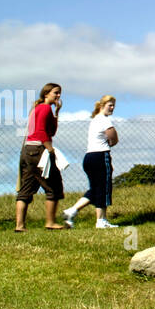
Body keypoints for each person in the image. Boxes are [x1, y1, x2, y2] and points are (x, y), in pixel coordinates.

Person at [63, 95, 120, 228]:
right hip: (100, 156)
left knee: (95, 189)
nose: (112, 108)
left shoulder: (94, 120)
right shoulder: (104, 120)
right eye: (109, 105)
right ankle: (101, 220)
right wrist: (111, 143)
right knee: (104, 188)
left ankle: (72, 210)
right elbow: (113, 137)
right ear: (102, 106)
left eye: (113, 106)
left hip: (89, 157)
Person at [15, 83, 66, 231]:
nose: (58, 96)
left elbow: (52, 131)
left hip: (27, 150)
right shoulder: (44, 108)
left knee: (26, 188)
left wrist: (56, 112)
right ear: (46, 93)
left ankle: (20, 226)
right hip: (38, 149)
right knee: (54, 186)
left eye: (59, 93)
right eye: (55, 93)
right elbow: (42, 131)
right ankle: (50, 222)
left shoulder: (38, 108)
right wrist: (50, 149)